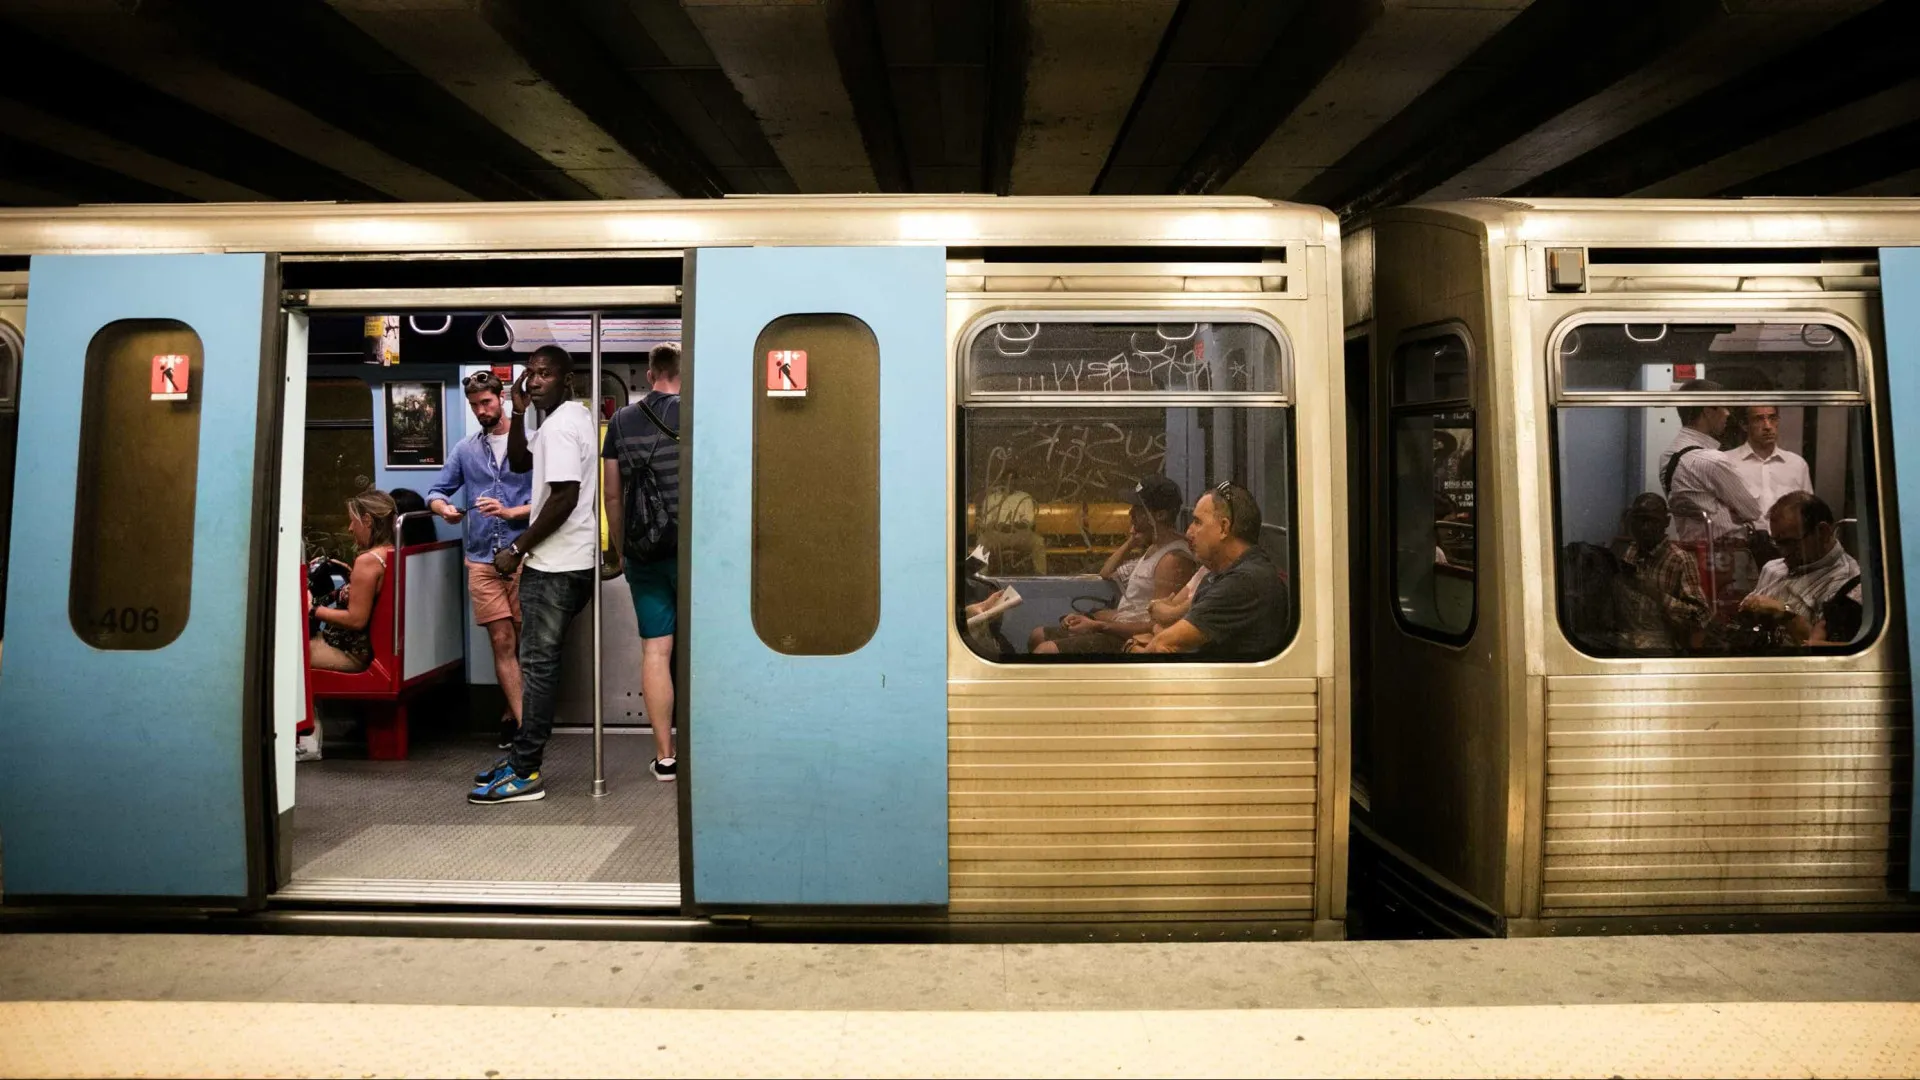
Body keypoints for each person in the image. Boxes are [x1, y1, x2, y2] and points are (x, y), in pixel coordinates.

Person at [469, 345, 599, 805]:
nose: (535, 380)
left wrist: (517, 548)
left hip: (555, 564)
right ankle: (523, 758)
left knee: (539, 669)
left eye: (545, 374)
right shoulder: (564, 418)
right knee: (535, 664)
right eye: (530, 373)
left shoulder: (563, 426)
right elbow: (523, 463)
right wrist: (521, 414)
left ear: (566, 379)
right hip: (565, 561)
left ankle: (526, 772)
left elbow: (563, 497)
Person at [426, 371, 534, 750]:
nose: (481, 411)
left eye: (486, 402)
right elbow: (437, 491)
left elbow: (550, 503)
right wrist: (445, 510)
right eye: (474, 406)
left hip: (523, 555)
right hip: (482, 560)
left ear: (501, 397)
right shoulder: (465, 450)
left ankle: (511, 712)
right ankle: (525, 729)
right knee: (501, 640)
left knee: (521, 642)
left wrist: (509, 512)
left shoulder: (531, 444)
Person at [602, 343, 682, 781]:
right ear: (681, 375)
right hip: (693, 553)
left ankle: (665, 756)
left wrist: (622, 546)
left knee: (656, 650)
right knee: (701, 648)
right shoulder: (694, 412)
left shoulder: (620, 421)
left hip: (644, 551)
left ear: (650, 376)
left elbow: (613, 493)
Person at [1028, 475, 1195, 654]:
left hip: (1130, 638)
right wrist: (1090, 618)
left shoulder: (1172, 559)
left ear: (1160, 515)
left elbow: (1156, 626)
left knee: (1046, 650)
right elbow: (1107, 573)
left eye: (1139, 509)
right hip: (1118, 627)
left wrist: (1099, 626)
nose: (1131, 513)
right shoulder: (1153, 547)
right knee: (1037, 635)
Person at [1129, 482, 1285, 659]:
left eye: (1197, 522)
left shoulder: (1244, 582)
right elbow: (1166, 629)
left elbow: (1164, 644)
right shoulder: (1216, 575)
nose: (1188, 532)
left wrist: (1133, 649)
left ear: (1224, 528)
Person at [302, 489, 398, 761]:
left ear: (367, 521)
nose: (349, 528)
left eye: (353, 521)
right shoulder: (391, 552)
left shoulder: (367, 562)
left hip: (351, 653)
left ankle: (307, 739)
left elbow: (356, 620)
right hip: (367, 648)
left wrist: (313, 609)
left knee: (287, 661)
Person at [1738, 491, 1861, 647]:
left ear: (1822, 533)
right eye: (1776, 542)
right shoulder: (1772, 568)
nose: (1782, 552)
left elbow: (1824, 652)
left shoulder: (1848, 585)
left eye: (1789, 543)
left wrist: (1787, 615)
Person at [1661, 379, 1763, 541]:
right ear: (1707, 411)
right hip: (1724, 554)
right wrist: (1730, 509)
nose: (1727, 413)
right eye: (1723, 406)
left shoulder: (1669, 455)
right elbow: (1753, 510)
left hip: (1692, 547)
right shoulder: (1712, 460)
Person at [1610, 493, 1710, 652]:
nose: (1645, 527)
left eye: (1652, 520)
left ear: (1666, 522)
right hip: (1622, 643)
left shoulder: (1679, 560)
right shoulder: (1626, 551)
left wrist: (1657, 595)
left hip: (1660, 648)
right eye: (1640, 520)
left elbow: (1699, 617)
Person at [1728, 405, 1812, 519]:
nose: (1767, 426)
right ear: (1744, 425)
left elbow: (1808, 512)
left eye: (1772, 418)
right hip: (1743, 535)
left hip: (1787, 536)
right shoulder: (1727, 462)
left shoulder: (1797, 465)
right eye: (1758, 419)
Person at [977, 465, 1047, 574]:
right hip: (997, 535)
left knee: (1038, 541)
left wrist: (1013, 526)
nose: (1010, 483)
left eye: (1013, 480)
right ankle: (980, 576)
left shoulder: (1025, 497)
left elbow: (1029, 521)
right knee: (982, 541)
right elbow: (986, 523)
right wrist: (999, 526)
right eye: (1007, 480)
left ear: (1017, 482)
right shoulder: (991, 498)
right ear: (1002, 481)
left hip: (1019, 534)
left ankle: (1041, 576)